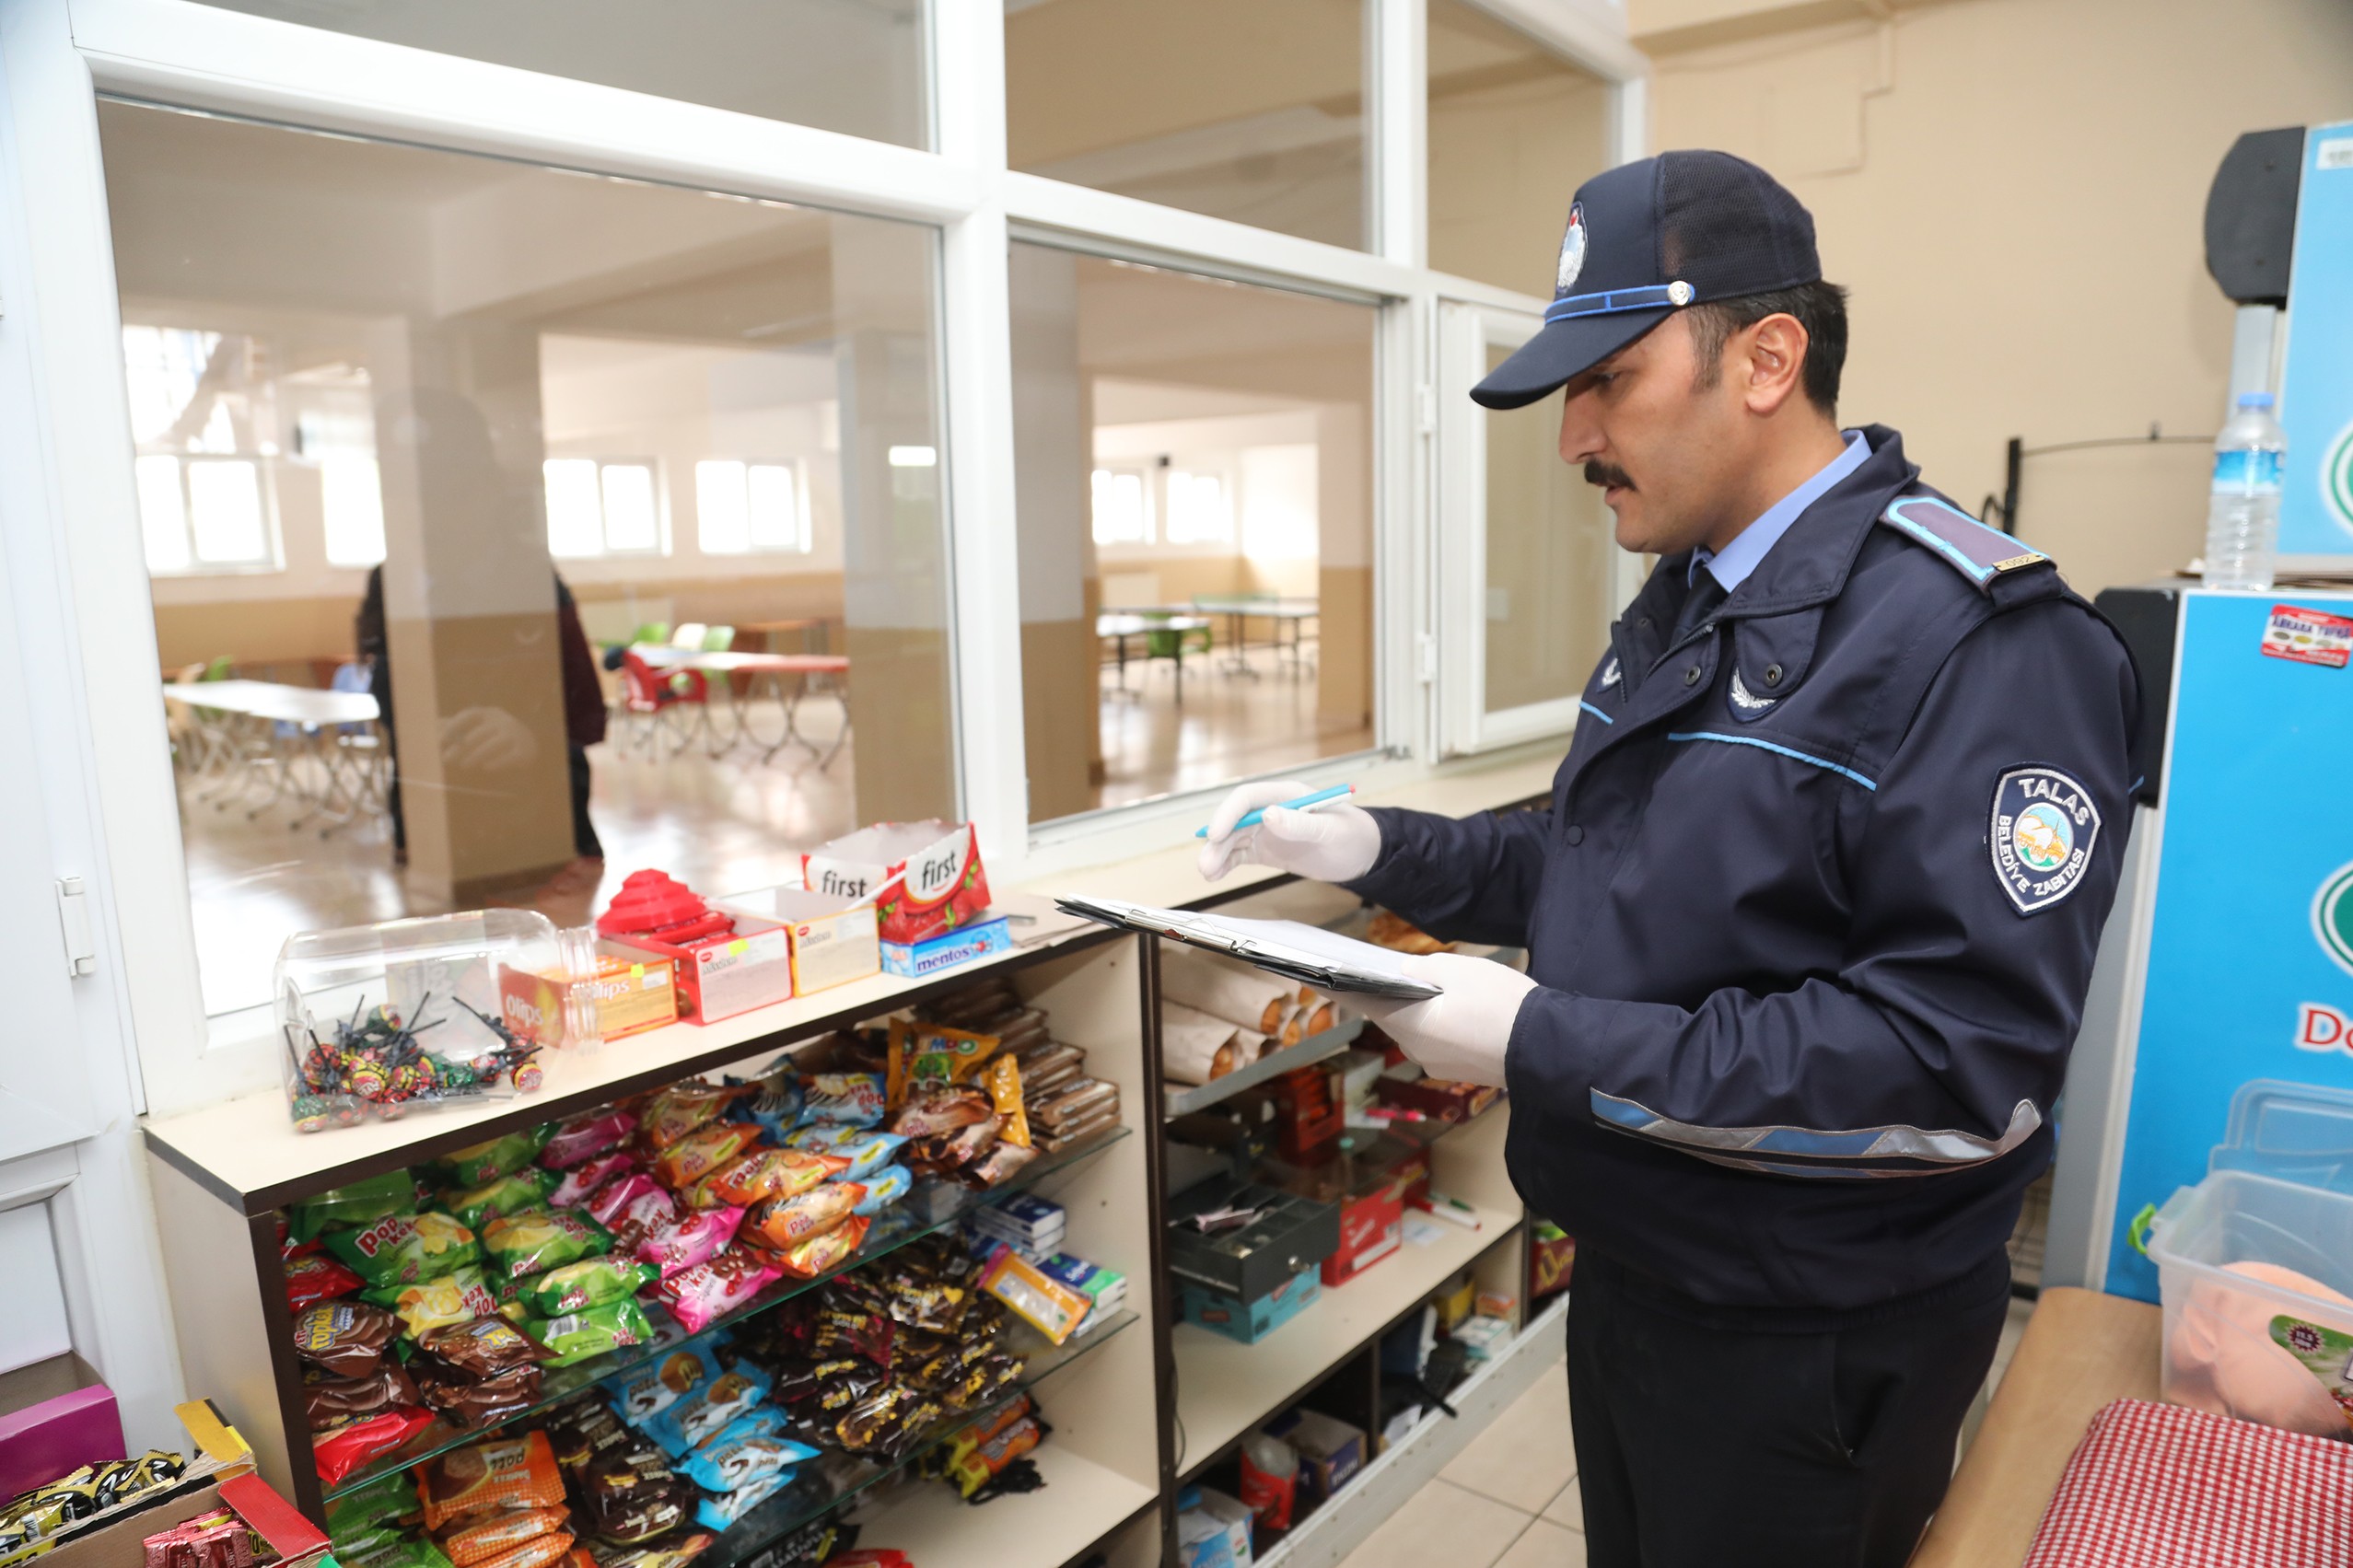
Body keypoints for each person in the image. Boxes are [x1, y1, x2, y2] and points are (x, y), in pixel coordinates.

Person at [1199, 151, 2137, 1568]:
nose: (1575, 438)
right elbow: (1599, 860)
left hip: (1807, 1323)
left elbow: (1956, 1067)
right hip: (1642, 1260)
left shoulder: (1983, 643)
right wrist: (1378, 845)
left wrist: (1542, 1040)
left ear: (1766, 359)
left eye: (1608, 383)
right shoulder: (1691, 598)